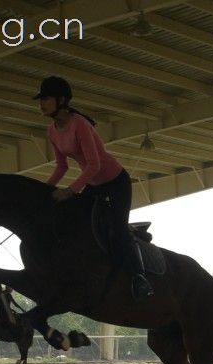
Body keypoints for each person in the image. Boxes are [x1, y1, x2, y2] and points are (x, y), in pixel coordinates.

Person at [34, 75, 154, 301]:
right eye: (40, 100)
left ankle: (140, 278)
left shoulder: (79, 124)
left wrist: (70, 190)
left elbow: (95, 164)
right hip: (93, 184)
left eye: (46, 99)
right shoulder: (52, 131)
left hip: (116, 183)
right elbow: (62, 166)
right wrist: (43, 190)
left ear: (61, 100)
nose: (41, 104)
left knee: (117, 230)